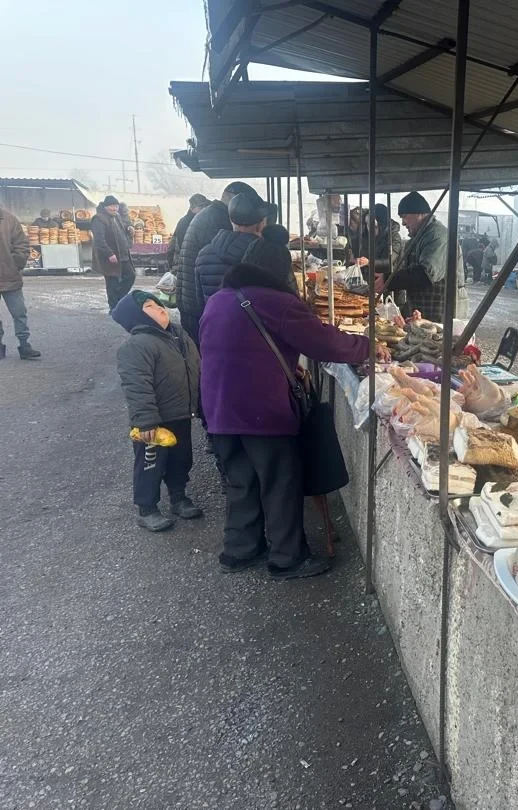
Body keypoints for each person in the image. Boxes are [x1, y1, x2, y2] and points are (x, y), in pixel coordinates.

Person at [200, 262, 377, 579]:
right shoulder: (275, 301)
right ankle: (287, 558)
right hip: (261, 411)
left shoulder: (217, 300)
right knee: (280, 482)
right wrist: (367, 346)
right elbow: (324, 342)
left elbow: (234, 349)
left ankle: (240, 550)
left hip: (218, 408)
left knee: (241, 481)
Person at [112, 291, 203, 532]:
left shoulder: (180, 336)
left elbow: (196, 368)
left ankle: (178, 496)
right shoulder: (137, 345)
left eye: (158, 303)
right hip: (154, 421)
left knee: (181, 458)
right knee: (150, 463)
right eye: (150, 306)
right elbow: (136, 386)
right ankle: (147, 507)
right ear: (136, 317)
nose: (160, 308)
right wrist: (145, 421)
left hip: (181, 413)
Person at [175, 181, 261, 341]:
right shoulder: (217, 218)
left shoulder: (211, 214)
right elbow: (221, 265)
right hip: (197, 304)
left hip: (193, 299)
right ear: (234, 201)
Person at [378, 191, 468, 319]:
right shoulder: (418, 237)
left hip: (440, 311)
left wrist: (389, 280)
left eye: (405, 216)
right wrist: (387, 277)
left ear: (419, 214)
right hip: (421, 310)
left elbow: (425, 274)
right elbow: (408, 270)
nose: (403, 223)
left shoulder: (438, 236)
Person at [193, 193, 268, 319]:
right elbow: (290, 300)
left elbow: (201, 304)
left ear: (231, 221)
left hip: (219, 327)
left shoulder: (203, 255)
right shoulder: (269, 254)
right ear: (261, 224)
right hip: (260, 329)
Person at [0, 206, 39, 360]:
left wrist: (16, 264)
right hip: (10, 274)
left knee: (19, 313)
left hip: (10, 276)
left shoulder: (9, 219)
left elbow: (22, 244)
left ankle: (24, 345)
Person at [91, 195, 137, 312]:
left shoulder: (117, 216)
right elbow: (99, 240)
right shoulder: (99, 219)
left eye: (116, 206)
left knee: (131, 275)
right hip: (110, 257)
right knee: (112, 282)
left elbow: (123, 227)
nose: (114, 208)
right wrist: (109, 254)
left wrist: (129, 228)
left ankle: (118, 300)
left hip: (123, 255)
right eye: (112, 206)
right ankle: (114, 308)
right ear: (105, 206)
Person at [242, 224, 298, 293]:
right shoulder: (283, 251)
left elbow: (244, 264)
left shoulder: (255, 244)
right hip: (275, 292)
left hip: (248, 289)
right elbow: (290, 281)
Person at [167, 194, 210, 274]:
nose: (204, 209)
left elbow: (171, 248)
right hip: (189, 266)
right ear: (193, 208)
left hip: (183, 267)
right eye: (201, 207)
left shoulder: (184, 221)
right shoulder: (190, 223)